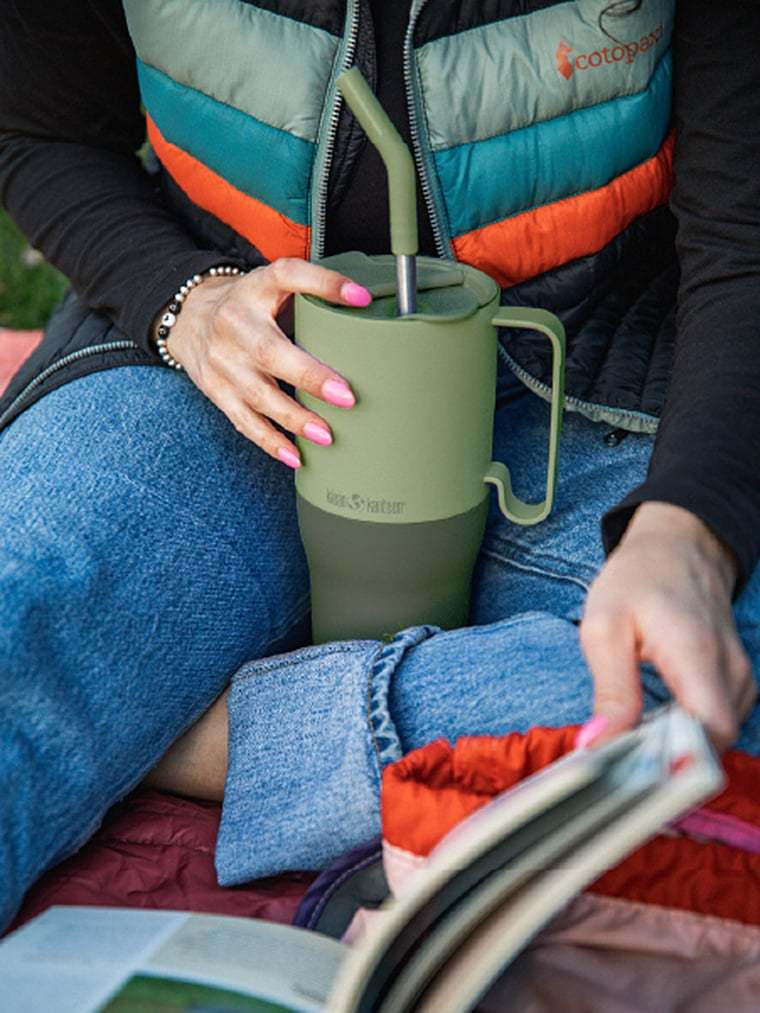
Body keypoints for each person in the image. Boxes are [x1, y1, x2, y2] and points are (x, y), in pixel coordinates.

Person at [0, 0, 758, 930]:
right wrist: (184, 301)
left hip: (603, 385)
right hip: (230, 366)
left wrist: (687, 537)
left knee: (684, 709)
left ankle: (174, 732)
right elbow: (38, 134)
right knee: (14, 621)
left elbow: (744, 245)